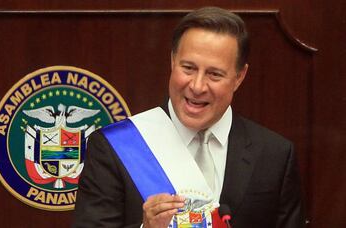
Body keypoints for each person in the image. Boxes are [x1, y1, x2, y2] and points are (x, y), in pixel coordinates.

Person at [74, 7, 304, 228]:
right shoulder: (115, 147)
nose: (197, 86)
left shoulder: (274, 155)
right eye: (188, 68)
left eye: (214, 74)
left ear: (239, 76)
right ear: (173, 61)